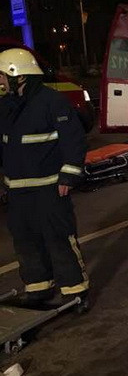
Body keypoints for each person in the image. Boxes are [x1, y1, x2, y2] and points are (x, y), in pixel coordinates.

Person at [0, 48, 89, 309]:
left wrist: (68, 176)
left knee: (58, 238)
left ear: (19, 75)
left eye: (2, 75)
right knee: (25, 240)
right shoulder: (5, 106)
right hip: (17, 190)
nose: (0, 81)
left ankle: (75, 291)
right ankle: (38, 287)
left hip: (49, 187)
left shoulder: (52, 101)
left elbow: (73, 140)